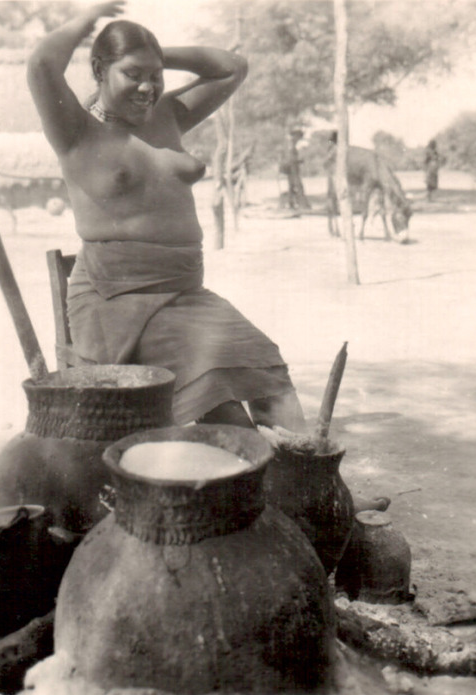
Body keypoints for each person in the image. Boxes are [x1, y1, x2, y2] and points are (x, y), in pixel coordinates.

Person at [27, 1, 306, 432]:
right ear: (99, 69)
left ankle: (314, 487)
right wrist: (89, 17)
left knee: (270, 378)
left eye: (155, 76)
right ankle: (268, 488)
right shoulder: (75, 129)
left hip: (185, 294)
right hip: (117, 302)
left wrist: (156, 53)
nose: (147, 87)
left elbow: (232, 68)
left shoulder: (168, 116)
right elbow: (43, 63)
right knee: (228, 409)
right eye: (132, 75)